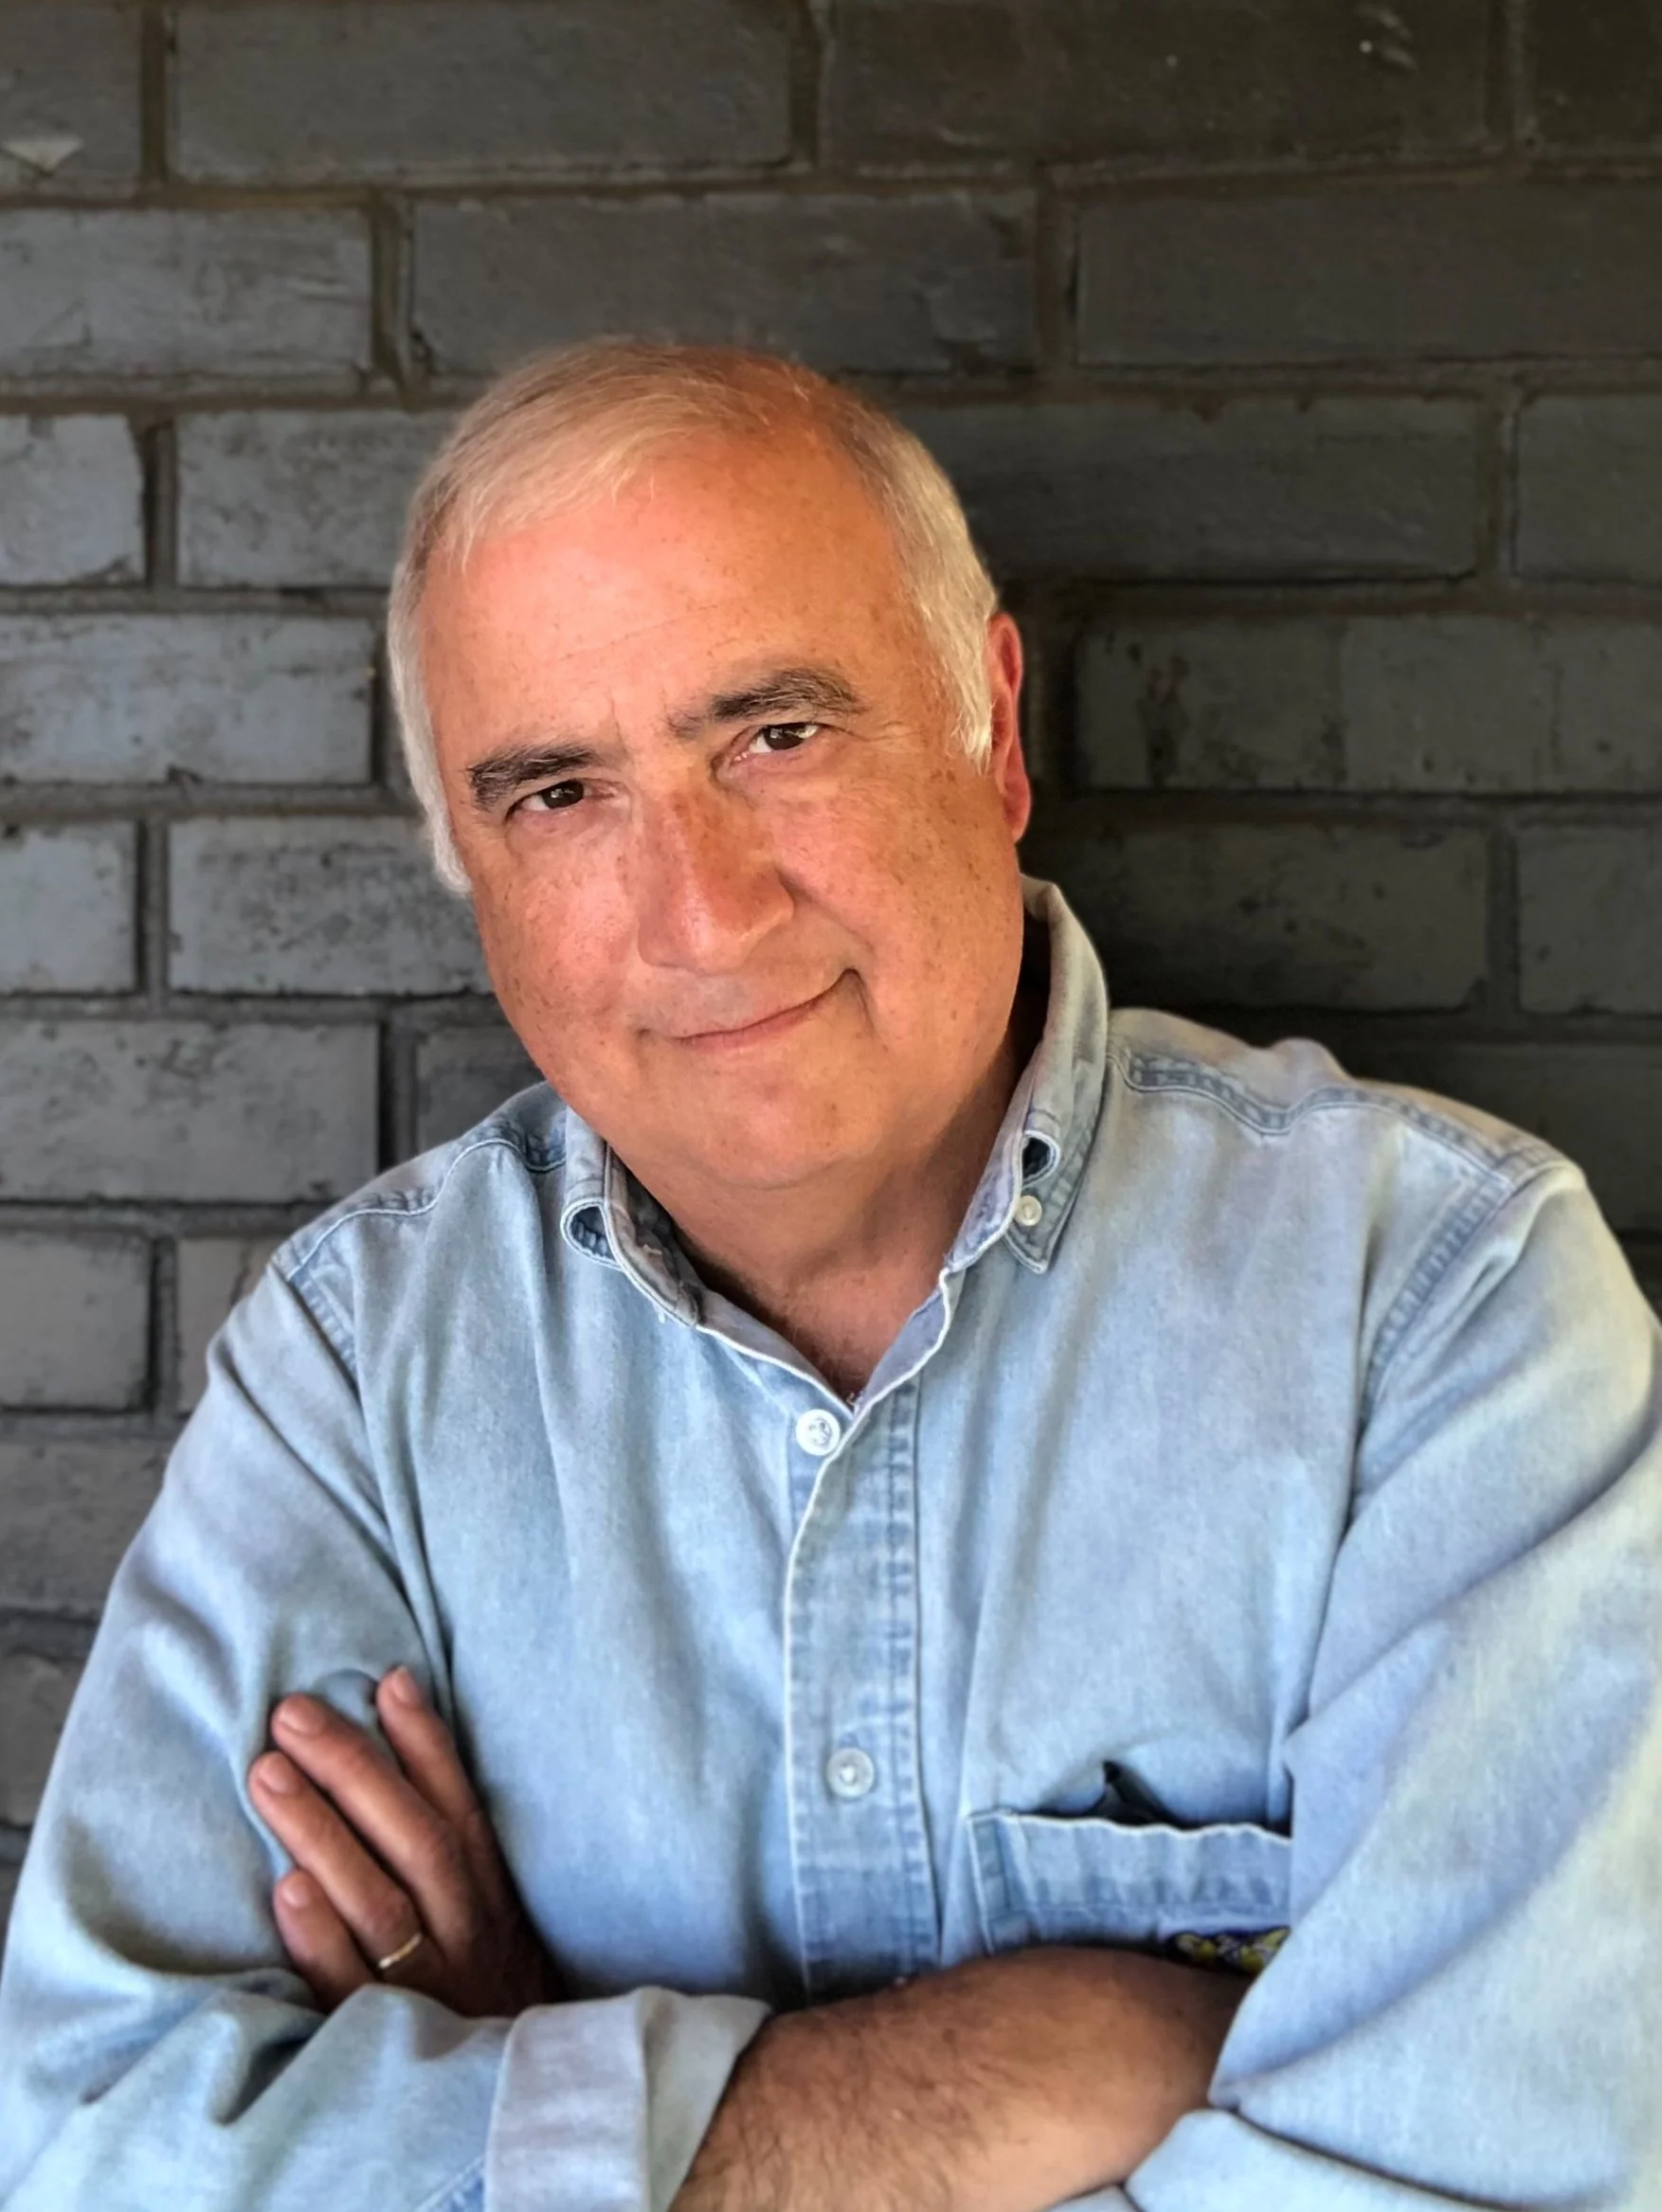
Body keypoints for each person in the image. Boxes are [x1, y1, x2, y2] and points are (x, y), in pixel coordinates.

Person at [0, 341, 1658, 2212]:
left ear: (994, 731)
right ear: (468, 860)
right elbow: (86, 2153)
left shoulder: (1436, 1306)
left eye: (776, 736)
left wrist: (552, 2106)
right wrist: (1036, 2073)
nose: (701, 913)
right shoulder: (360, 1370)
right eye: (560, 792)